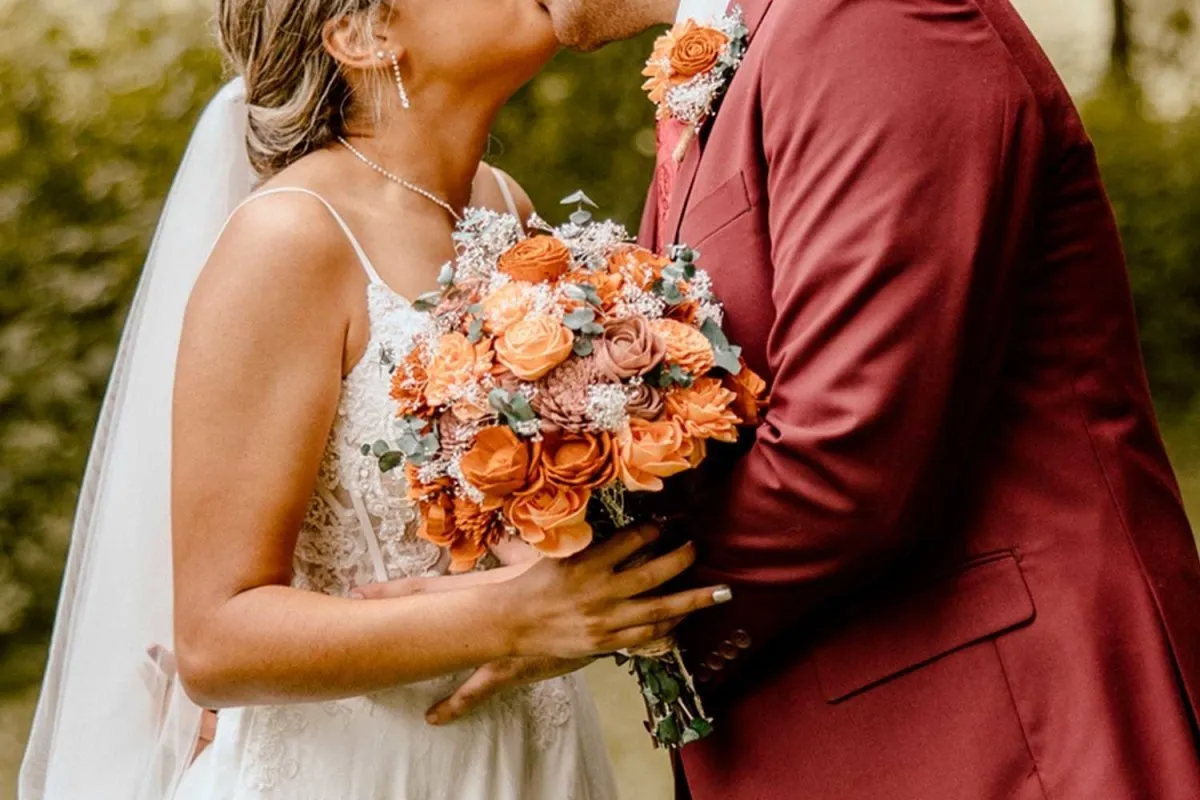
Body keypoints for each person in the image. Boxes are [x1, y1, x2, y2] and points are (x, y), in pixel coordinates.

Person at [435, 0, 1200, 797]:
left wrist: (606, 605)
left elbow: (852, 450)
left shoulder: (877, 19)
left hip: (1010, 729)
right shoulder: (738, 60)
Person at [19, 1, 731, 798]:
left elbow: (516, 537)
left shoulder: (502, 207)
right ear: (363, 35)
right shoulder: (291, 239)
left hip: (528, 761)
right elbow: (216, 641)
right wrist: (513, 618)